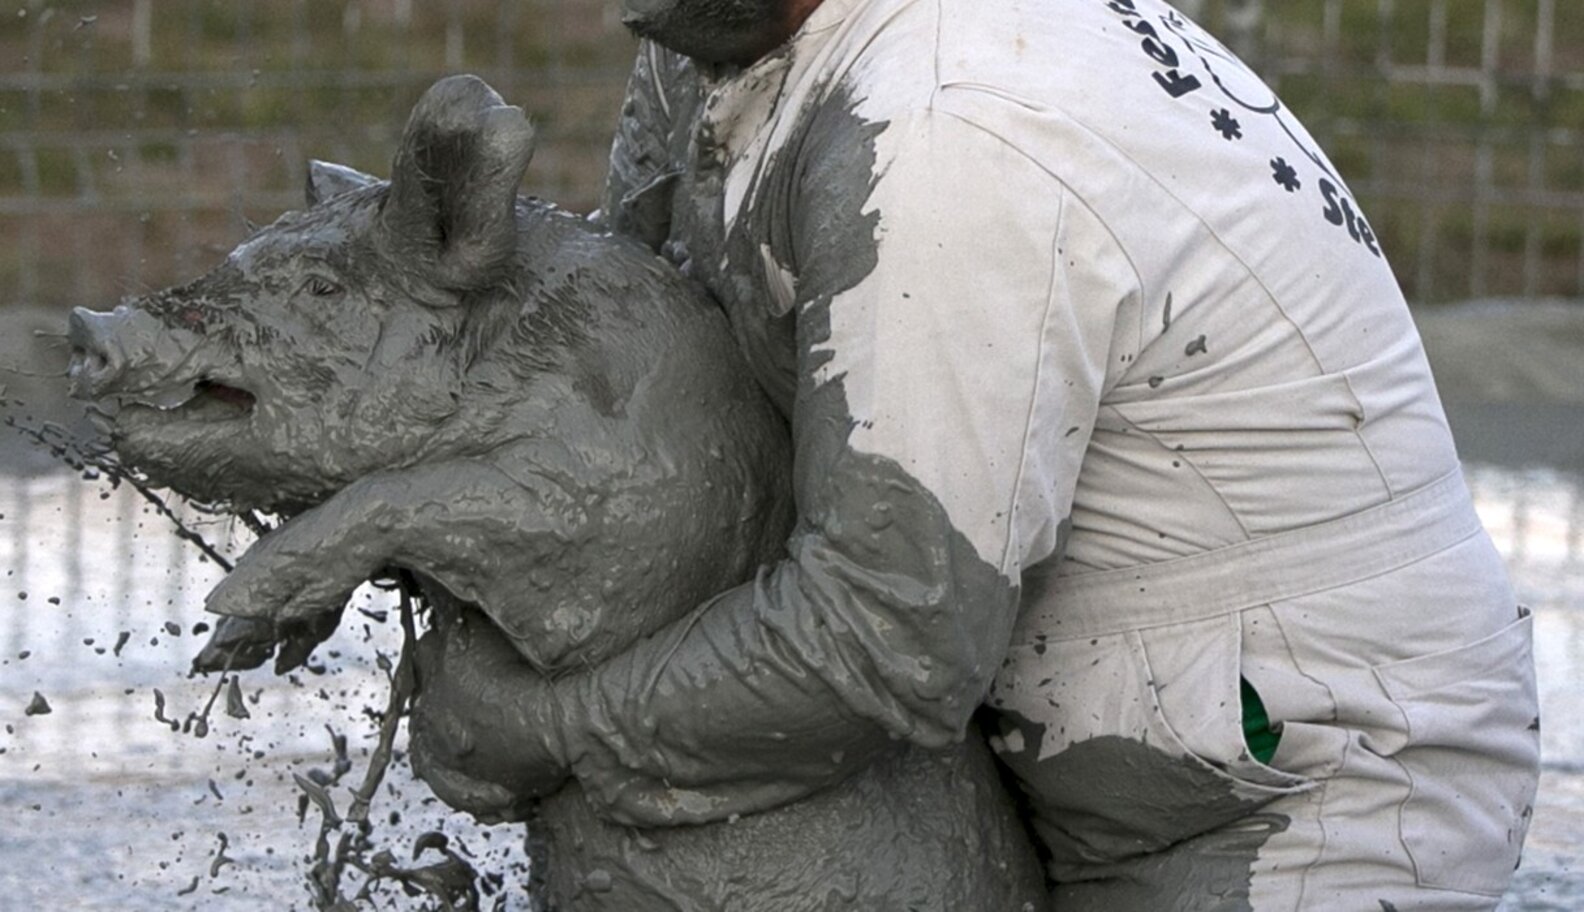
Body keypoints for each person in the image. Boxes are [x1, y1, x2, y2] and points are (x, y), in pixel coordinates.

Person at [408, 0, 1542, 907]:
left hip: (1298, 782)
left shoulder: (949, 120)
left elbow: (886, 630)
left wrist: (545, 731)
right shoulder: (717, 45)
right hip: (1081, 728)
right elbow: (650, 368)